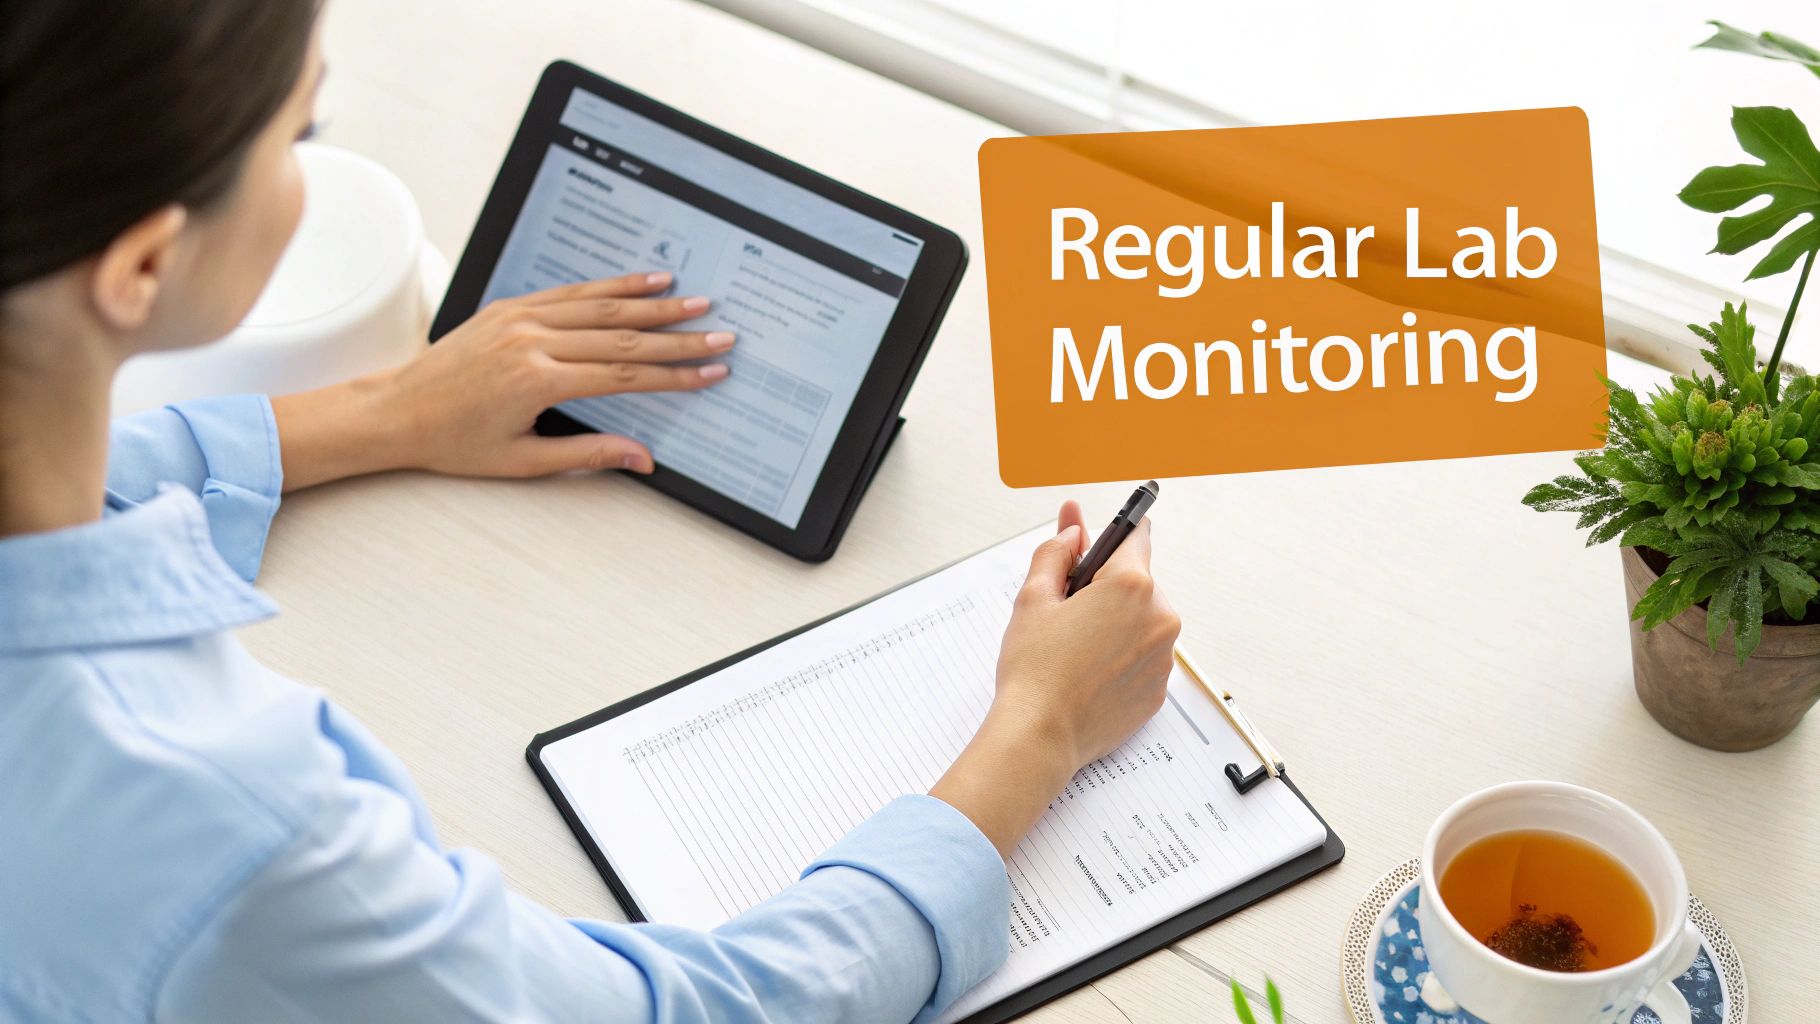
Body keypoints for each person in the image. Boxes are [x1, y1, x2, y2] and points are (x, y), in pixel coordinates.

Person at [0, 3, 1181, 1021]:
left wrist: (384, 409)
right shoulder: (225, 824)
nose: (312, 160)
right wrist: (1037, 727)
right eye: (297, 130)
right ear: (145, 264)